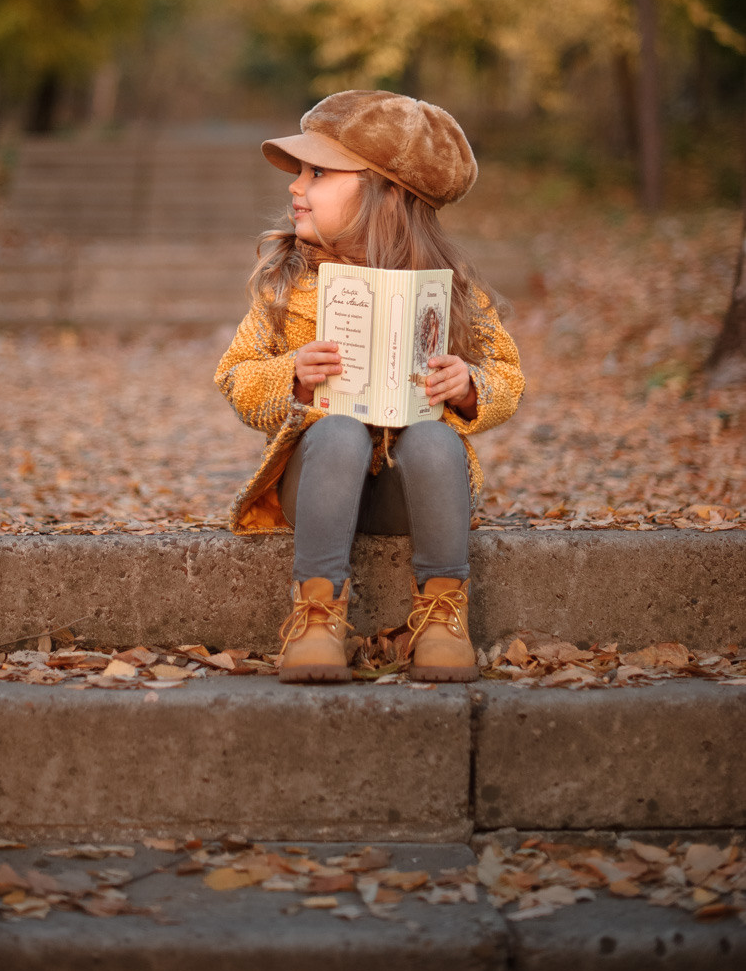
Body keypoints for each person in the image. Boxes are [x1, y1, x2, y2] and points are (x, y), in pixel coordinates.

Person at [214, 89, 524, 684]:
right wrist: (292, 378)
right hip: (322, 480)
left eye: (319, 172)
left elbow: (507, 375)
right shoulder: (288, 284)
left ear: (386, 193)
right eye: (299, 171)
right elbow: (236, 375)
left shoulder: (450, 291)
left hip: (410, 491)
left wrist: (469, 388)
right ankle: (317, 613)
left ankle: (441, 613)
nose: (295, 186)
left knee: (434, 441)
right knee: (337, 433)